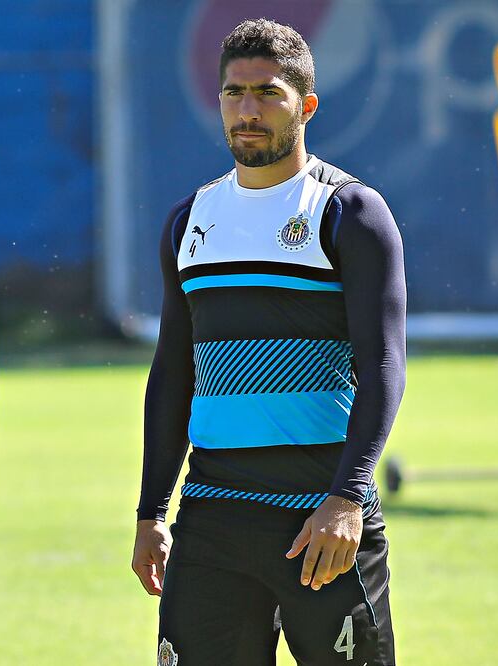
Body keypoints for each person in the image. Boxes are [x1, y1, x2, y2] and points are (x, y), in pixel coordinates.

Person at [131, 19, 405, 666]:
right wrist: (151, 511)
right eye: (233, 93)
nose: (247, 111)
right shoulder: (190, 220)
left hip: (321, 518)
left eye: (267, 94)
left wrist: (346, 499)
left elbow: (384, 365)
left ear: (305, 105)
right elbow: (174, 373)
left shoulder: (349, 212)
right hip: (213, 517)